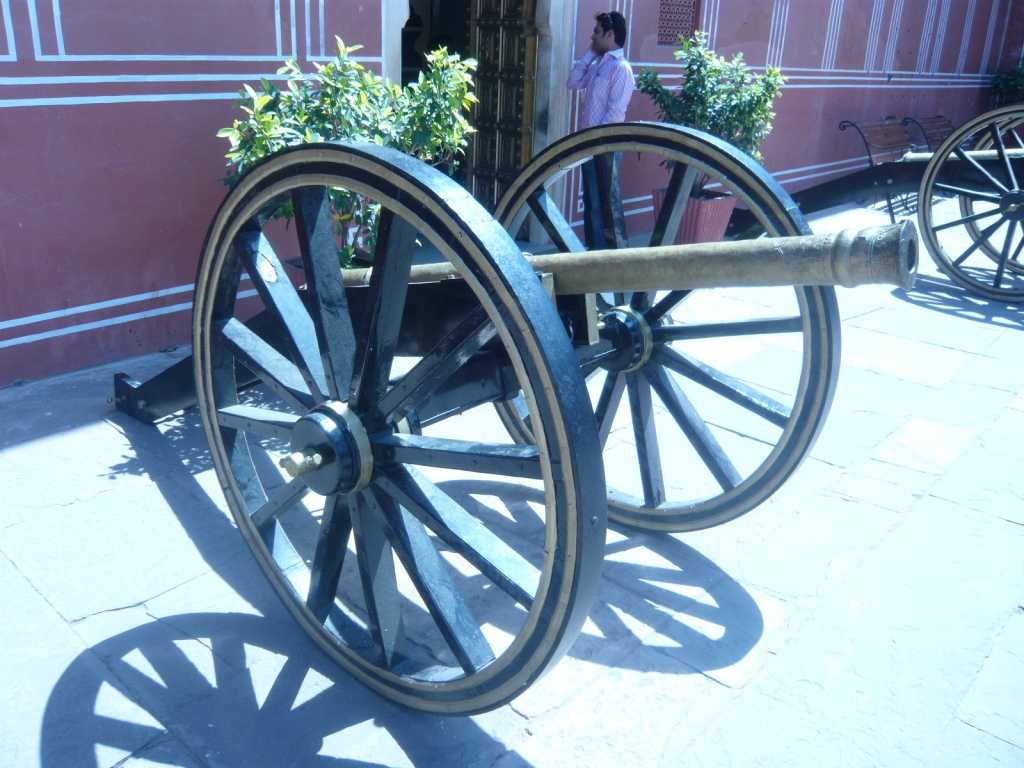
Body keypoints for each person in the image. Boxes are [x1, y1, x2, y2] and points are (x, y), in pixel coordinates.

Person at [566, 12, 635, 248]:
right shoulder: (598, 64)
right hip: (590, 143)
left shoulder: (621, 69)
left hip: (605, 146)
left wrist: (598, 143)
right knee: (592, 202)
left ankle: (603, 258)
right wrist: (590, 53)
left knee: (603, 204)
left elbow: (615, 114)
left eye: (597, 32)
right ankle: (592, 254)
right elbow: (572, 82)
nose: (592, 35)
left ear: (610, 34)